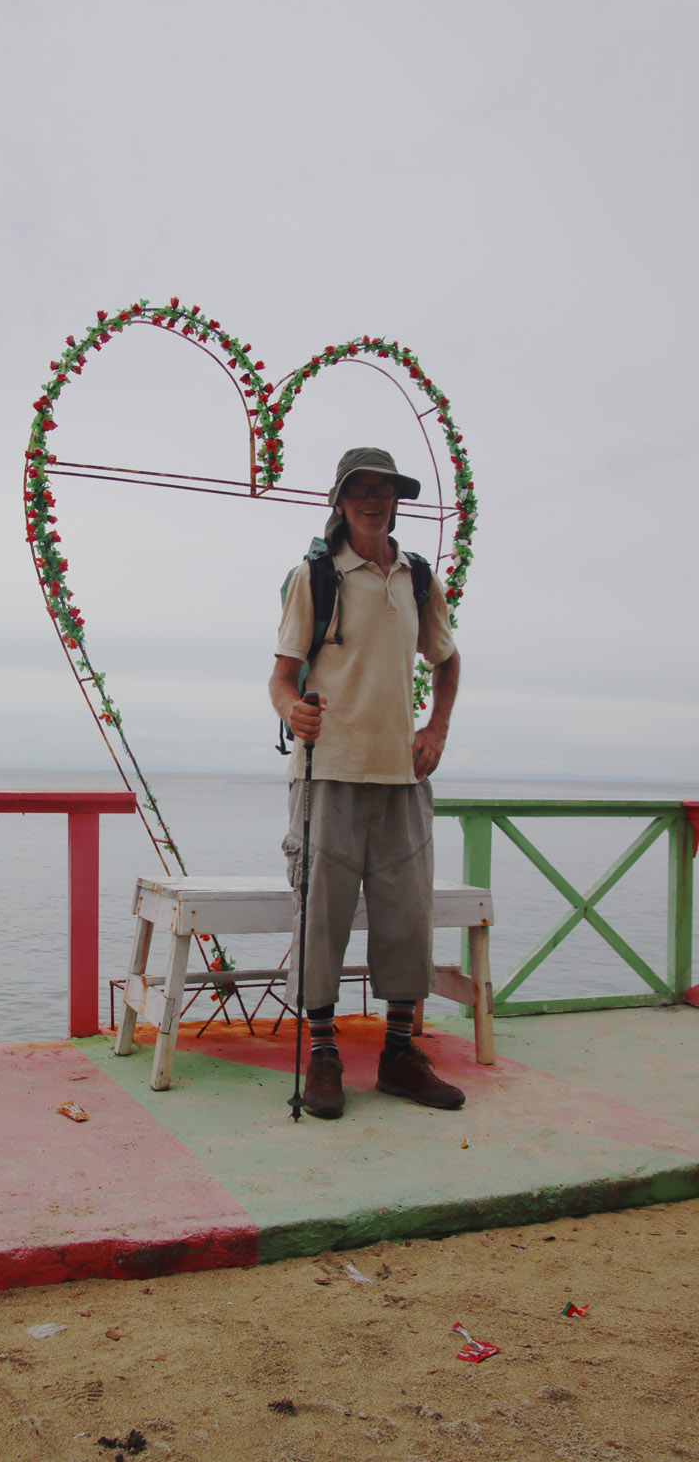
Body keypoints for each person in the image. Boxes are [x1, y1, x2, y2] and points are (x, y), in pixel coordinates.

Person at [268, 447, 464, 1120]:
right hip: (327, 774)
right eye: (362, 490)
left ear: (397, 500)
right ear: (341, 501)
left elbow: (447, 658)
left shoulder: (418, 579)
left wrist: (436, 729)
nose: (375, 500)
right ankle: (323, 1056)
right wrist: (291, 712)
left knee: (408, 917)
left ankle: (399, 1056)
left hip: (402, 777)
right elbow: (282, 677)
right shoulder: (315, 577)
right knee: (321, 918)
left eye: (386, 489)